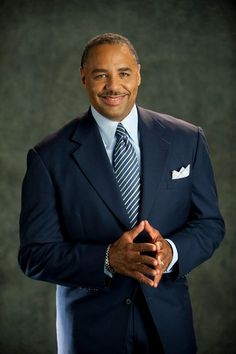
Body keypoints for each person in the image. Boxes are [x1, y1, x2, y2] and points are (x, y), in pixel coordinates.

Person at [19, 33, 225, 354]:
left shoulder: (188, 139)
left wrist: (171, 252)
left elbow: (210, 224)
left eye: (124, 73)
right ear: (84, 78)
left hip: (169, 328)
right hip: (90, 332)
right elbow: (34, 256)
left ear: (139, 74)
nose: (114, 86)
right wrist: (107, 259)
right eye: (101, 75)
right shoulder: (48, 157)